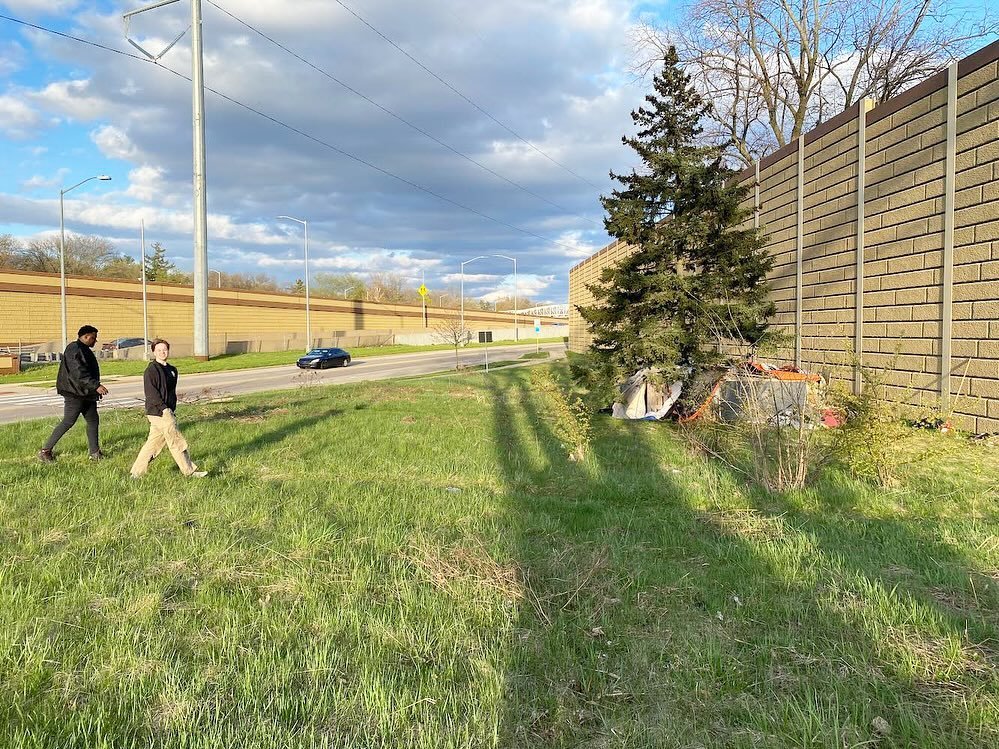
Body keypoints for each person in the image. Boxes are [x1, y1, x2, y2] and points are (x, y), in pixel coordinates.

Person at [130, 339, 207, 479]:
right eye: (159, 350)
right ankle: (188, 471)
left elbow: (171, 392)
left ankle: (136, 472)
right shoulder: (151, 370)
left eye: (164, 349)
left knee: (153, 444)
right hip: (158, 412)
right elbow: (151, 393)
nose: (162, 352)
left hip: (168, 410)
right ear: (154, 352)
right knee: (176, 440)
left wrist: (171, 408)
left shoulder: (172, 370)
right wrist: (164, 409)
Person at [39, 324, 109, 462]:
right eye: (93, 338)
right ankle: (45, 451)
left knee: (93, 421)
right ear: (86, 336)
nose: (95, 341)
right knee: (68, 421)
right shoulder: (74, 349)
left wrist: (94, 390)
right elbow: (78, 373)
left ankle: (95, 453)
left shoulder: (84, 349)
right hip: (74, 393)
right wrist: (96, 386)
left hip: (86, 394)